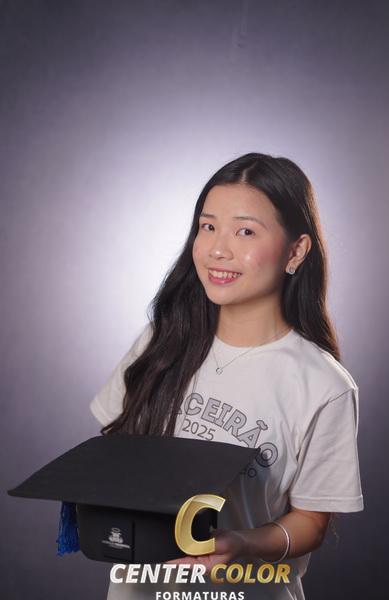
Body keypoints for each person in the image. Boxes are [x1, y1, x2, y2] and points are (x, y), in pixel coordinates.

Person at [90, 152, 364, 599]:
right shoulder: (160, 341)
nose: (218, 249)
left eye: (245, 231)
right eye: (208, 226)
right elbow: (112, 451)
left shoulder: (324, 385)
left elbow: (311, 522)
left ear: (296, 251)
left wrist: (243, 543)